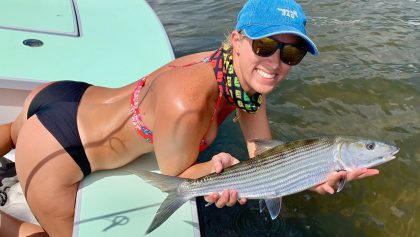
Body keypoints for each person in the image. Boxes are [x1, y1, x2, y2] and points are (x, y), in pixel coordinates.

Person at [0, 0, 379, 236]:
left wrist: (316, 175)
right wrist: (217, 169)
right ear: (236, 38)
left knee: (13, 131)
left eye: (291, 55)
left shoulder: (243, 79)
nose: (276, 63)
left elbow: (264, 160)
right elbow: (176, 176)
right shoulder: (190, 104)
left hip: (68, 95)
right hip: (64, 148)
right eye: (265, 46)